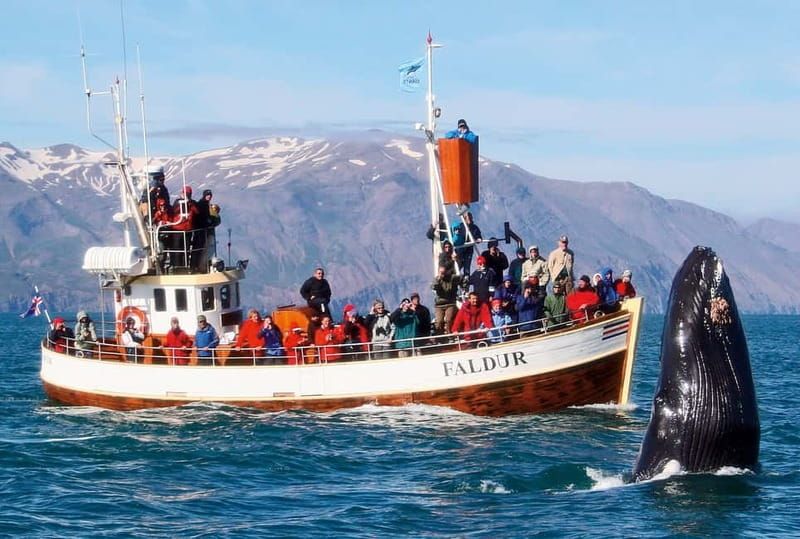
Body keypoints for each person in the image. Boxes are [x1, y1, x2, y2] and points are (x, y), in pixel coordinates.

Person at [170, 186, 199, 268]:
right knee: (177, 249)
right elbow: (175, 210)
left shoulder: (192, 203)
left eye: (189, 194)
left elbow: (197, 212)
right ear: (182, 193)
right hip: (177, 229)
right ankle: (177, 267)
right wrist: (183, 203)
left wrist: (190, 203)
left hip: (188, 230)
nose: (187, 195)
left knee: (186, 249)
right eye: (185, 193)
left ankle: (185, 266)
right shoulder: (177, 202)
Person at [431, 265, 460, 336]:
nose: (442, 275)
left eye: (443, 273)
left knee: (448, 319)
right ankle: (440, 336)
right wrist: (438, 280)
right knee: (439, 321)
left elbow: (459, 277)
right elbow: (434, 286)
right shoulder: (436, 280)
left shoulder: (451, 278)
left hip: (450, 303)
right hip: (439, 304)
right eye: (441, 273)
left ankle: (449, 335)